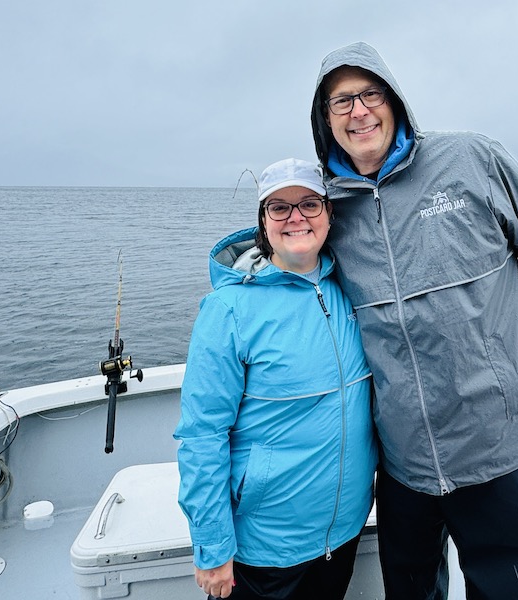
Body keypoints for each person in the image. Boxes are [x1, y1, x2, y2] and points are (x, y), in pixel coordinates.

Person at [310, 42, 518, 599]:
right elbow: (288, 270)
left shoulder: (470, 159)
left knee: (504, 589)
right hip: (401, 456)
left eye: (369, 94)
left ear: (393, 101)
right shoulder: (326, 209)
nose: (359, 111)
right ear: (324, 119)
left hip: (495, 439)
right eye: (341, 101)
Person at [174, 158, 378, 600]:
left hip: (343, 532)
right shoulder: (228, 309)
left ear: (328, 214)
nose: (296, 218)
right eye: (279, 208)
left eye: (308, 203)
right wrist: (212, 548)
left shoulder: (355, 288)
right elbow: (202, 435)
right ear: (263, 223)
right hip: (263, 549)